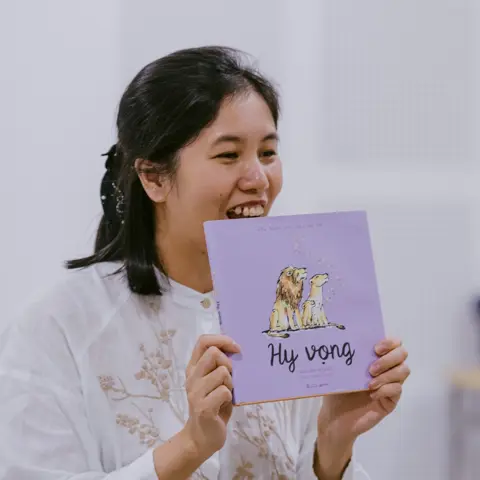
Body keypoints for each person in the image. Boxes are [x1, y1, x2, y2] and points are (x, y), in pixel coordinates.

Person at [0, 46, 410, 479]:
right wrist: (190, 446)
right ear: (153, 177)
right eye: (229, 155)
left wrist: (334, 444)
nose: (258, 180)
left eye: (268, 153)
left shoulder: (297, 310)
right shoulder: (58, 326)